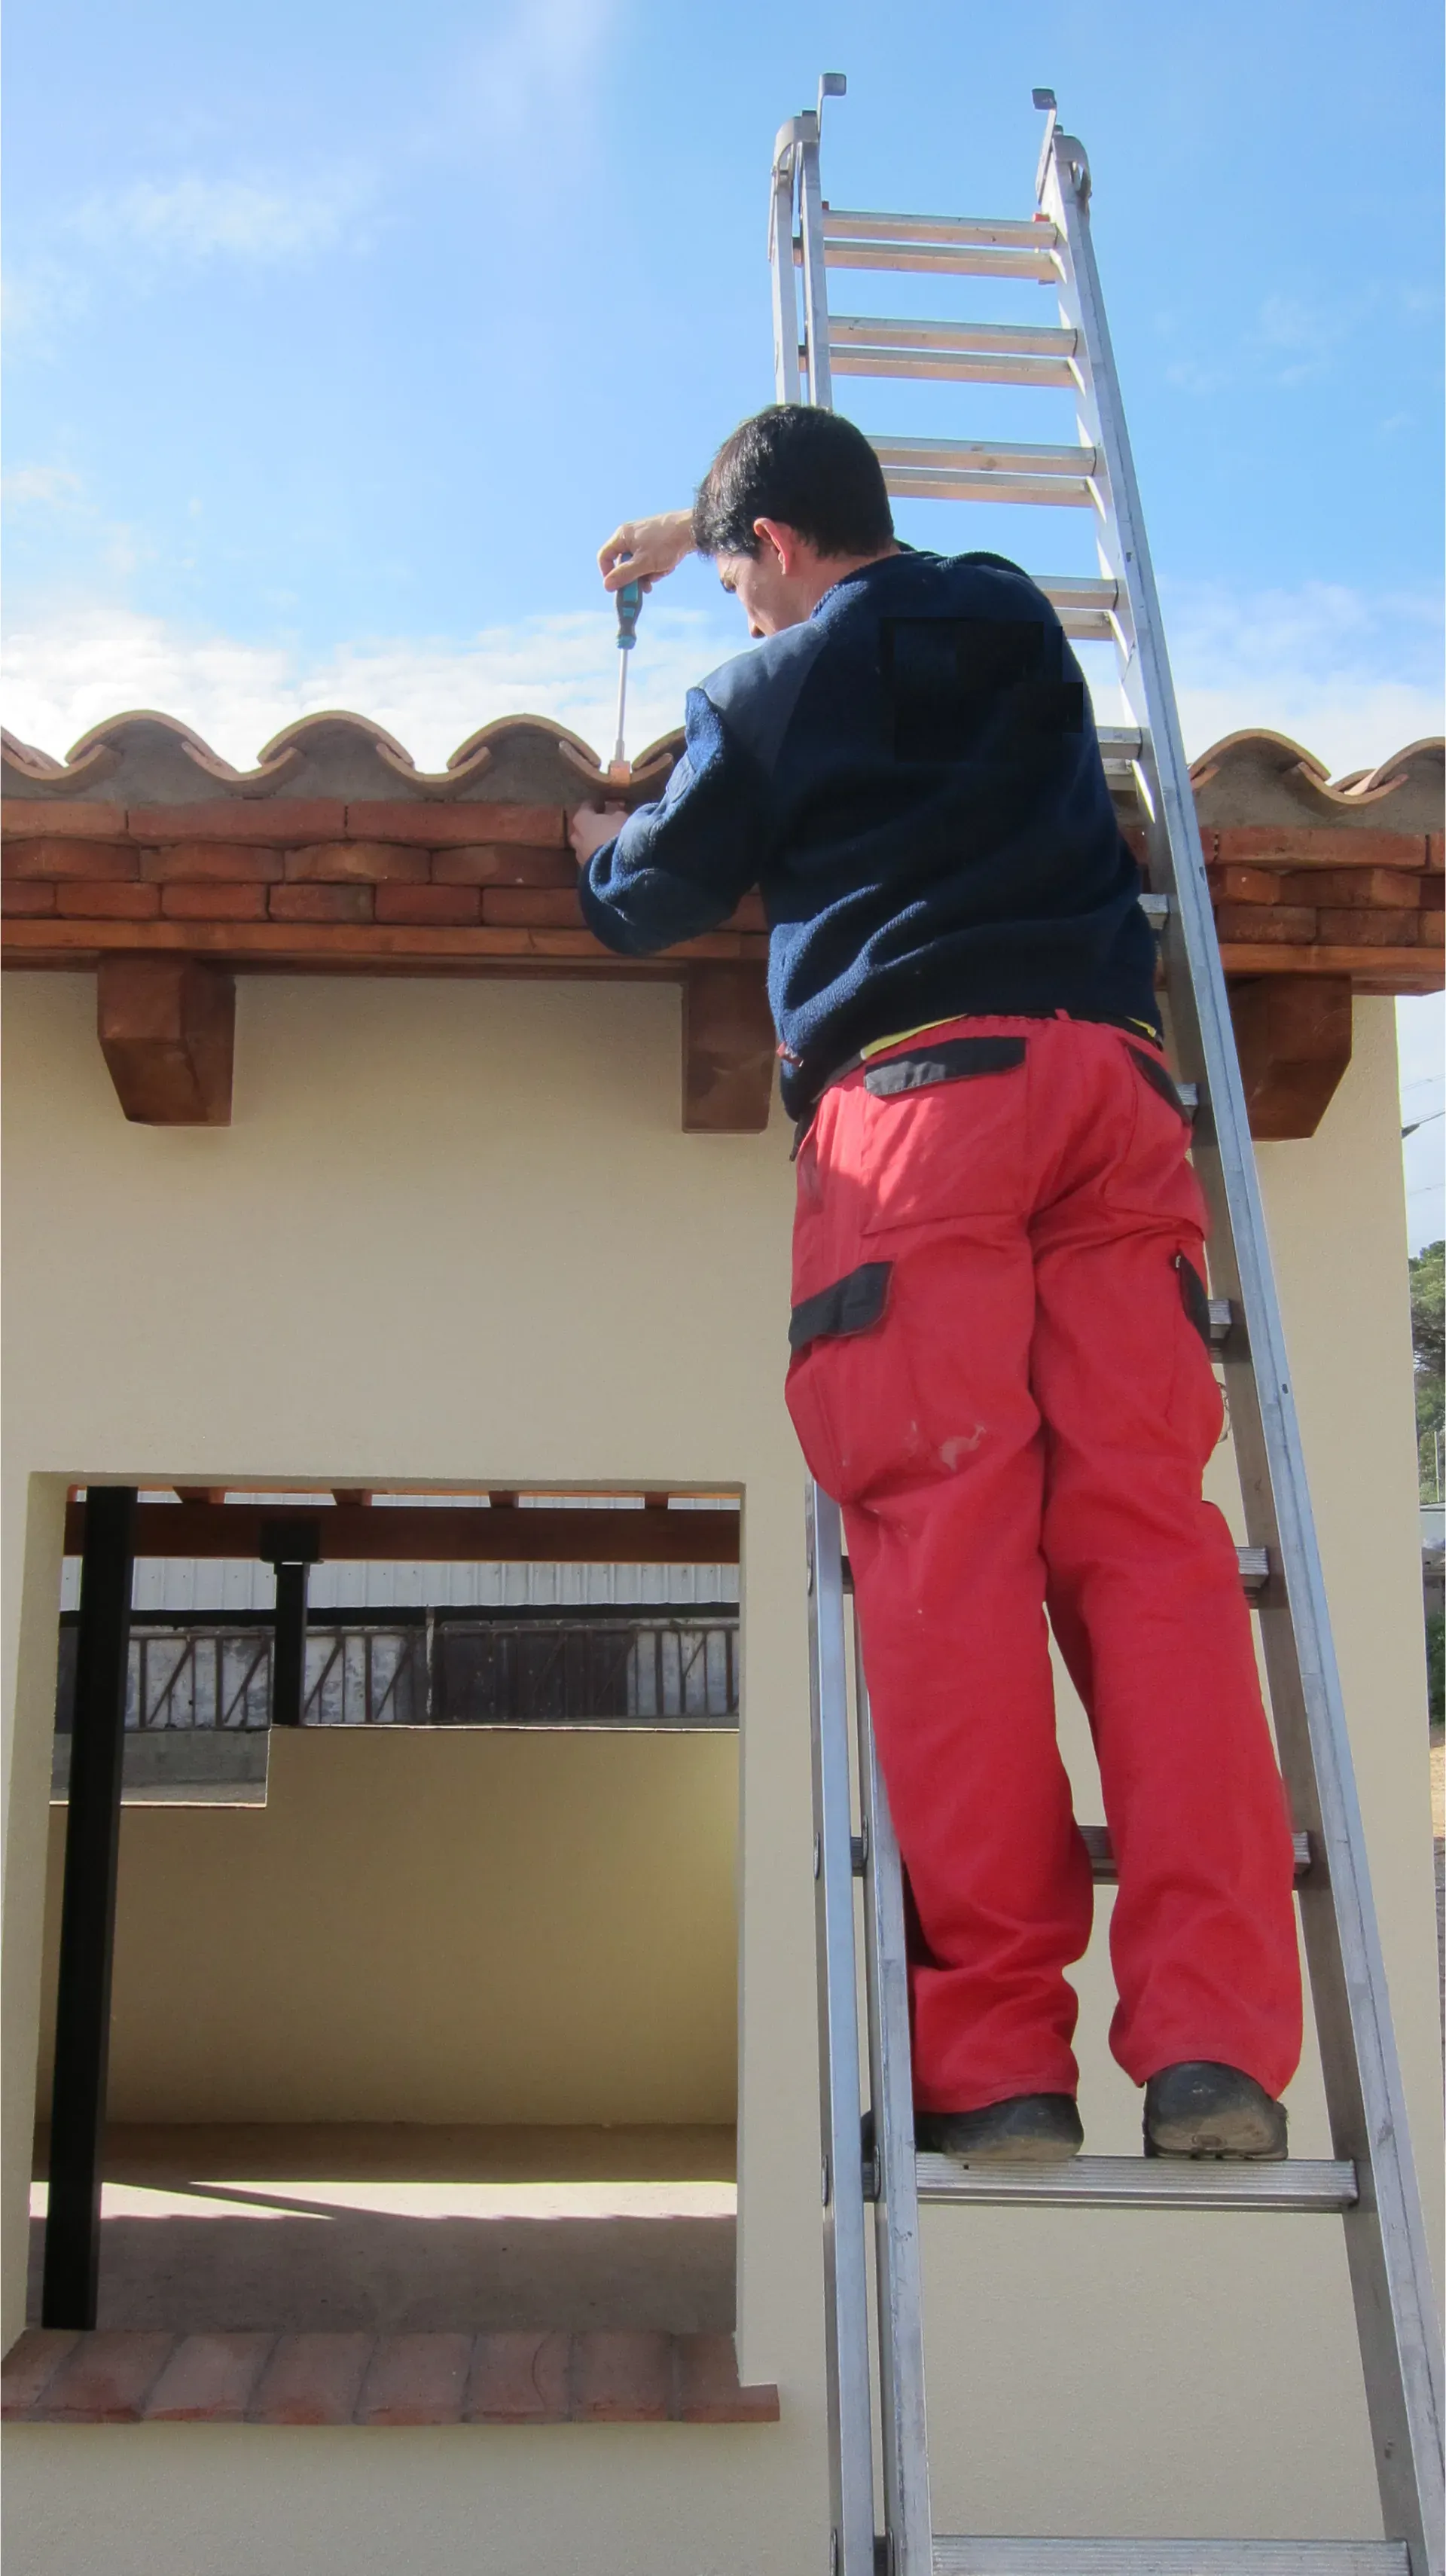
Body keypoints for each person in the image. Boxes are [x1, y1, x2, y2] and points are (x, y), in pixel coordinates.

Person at [569, 404, 1301, 2164]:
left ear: (777, 558)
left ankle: (1000, 2066)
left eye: (745, 585)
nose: (746, 620)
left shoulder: (767, 690)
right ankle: (1214, 2052)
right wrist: (704, 533)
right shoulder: (1011, 616)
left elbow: (655, 895)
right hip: (1117, 1104)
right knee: (1153, 1549)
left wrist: (598, 845)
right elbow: (822, 561)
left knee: (947, 1558)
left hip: (923, 1120)